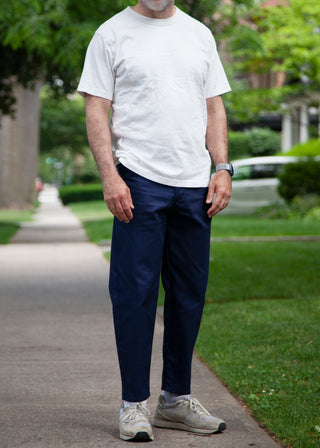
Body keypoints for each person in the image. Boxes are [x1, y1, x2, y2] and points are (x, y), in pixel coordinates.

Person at [78, 0, 233, 442]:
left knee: (189, 295)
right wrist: (110, 177)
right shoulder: (111, 34)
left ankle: (175, 400)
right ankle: (133, 405)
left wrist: (221, 167)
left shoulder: (199, 34)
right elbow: (96, 109)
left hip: (193, 184)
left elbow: (214, 107)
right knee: (135, 294)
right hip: (138, 179)